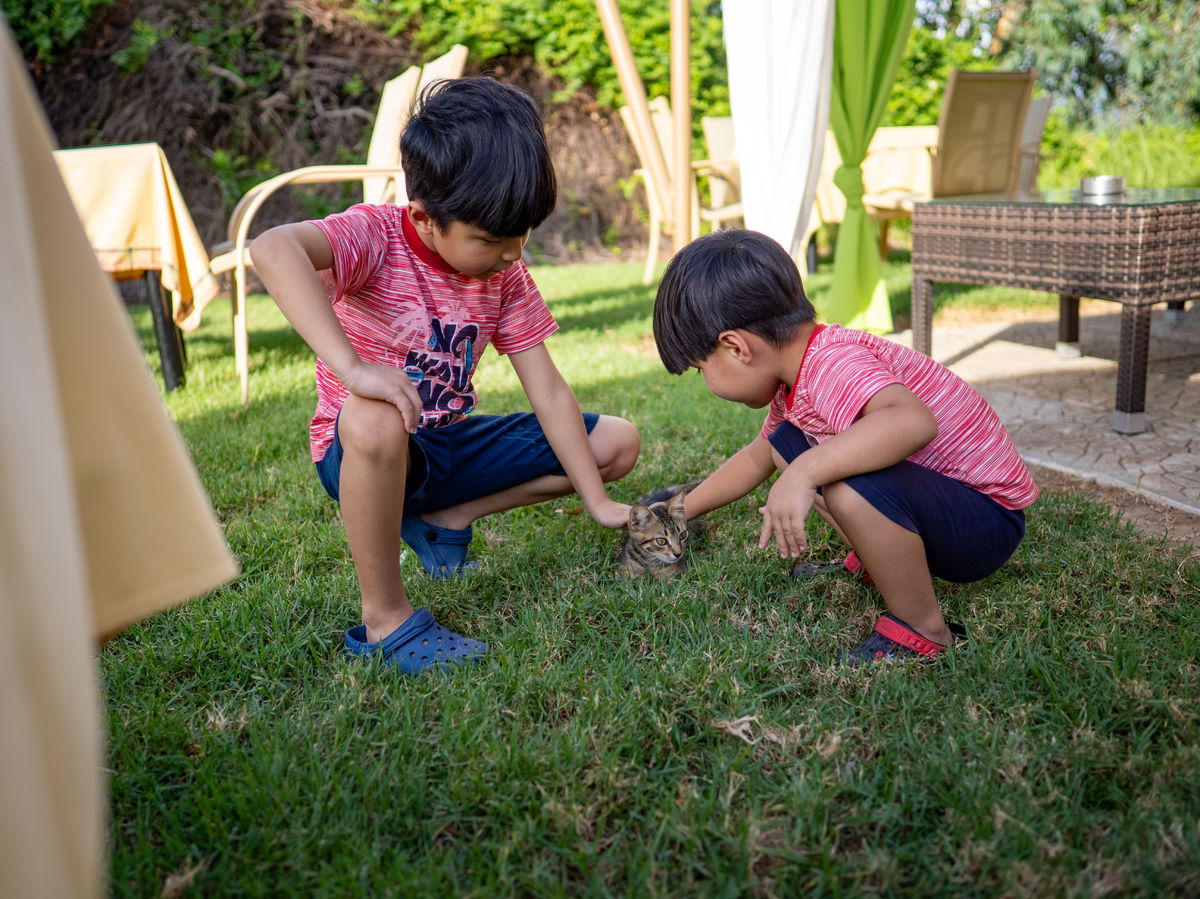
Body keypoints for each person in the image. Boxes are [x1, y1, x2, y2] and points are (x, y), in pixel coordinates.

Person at [250, 77, 639, 673]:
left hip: (441, 448)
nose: (512, 254)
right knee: (376, 417)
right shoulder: (376, 237)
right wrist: (355, 370)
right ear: (426, 218)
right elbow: (273, 248)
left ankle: (444, 520)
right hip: (360, 450)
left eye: (521, 235)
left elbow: (549, 391)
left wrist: (598, 500)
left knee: (613, 442)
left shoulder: (504, 277)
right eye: (490, 240)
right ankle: (385, 620)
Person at [652, 230, 1037, 668]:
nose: (707, 383)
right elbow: (758, 456)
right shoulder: (795, 378)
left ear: (736, 347)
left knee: (835, 477)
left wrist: (804, 473)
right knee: (787, 446)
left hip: (984, 523)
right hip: (945, 507)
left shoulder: (832, 362)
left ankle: (926, 631)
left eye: (703, 369)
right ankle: (883, 562)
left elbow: (912, 422)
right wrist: (675, 513)